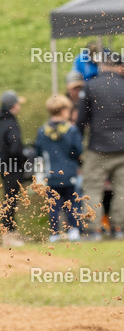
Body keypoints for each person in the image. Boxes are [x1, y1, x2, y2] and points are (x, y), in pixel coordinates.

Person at [76, 50, 124, 240]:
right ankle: (119, 228)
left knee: (92, 188)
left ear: (102, 66)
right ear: (120, 67)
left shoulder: (90, 86)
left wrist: (77, 147)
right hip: (122, 148)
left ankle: (93, 229)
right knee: (122, 189)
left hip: (98, 148)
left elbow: (80, 121)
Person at [34, 95, 83, 242]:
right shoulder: (72, 130)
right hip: (69, 173)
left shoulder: (42, 131)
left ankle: (54, 233)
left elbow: (39, 152)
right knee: (72, 202)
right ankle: (73, 230)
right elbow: (78, 150)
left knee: (53, 206)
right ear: (63, 111)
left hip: (51, 174)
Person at [0, 90, 28, 247]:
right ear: (13, 105)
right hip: (13, 167)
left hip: (4, 165)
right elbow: (15, 148)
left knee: (10, 198)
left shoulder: (0, 123)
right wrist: (24, 159)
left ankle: (10, 231)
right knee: (11, 200)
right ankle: (8, 234)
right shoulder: (11, 123)